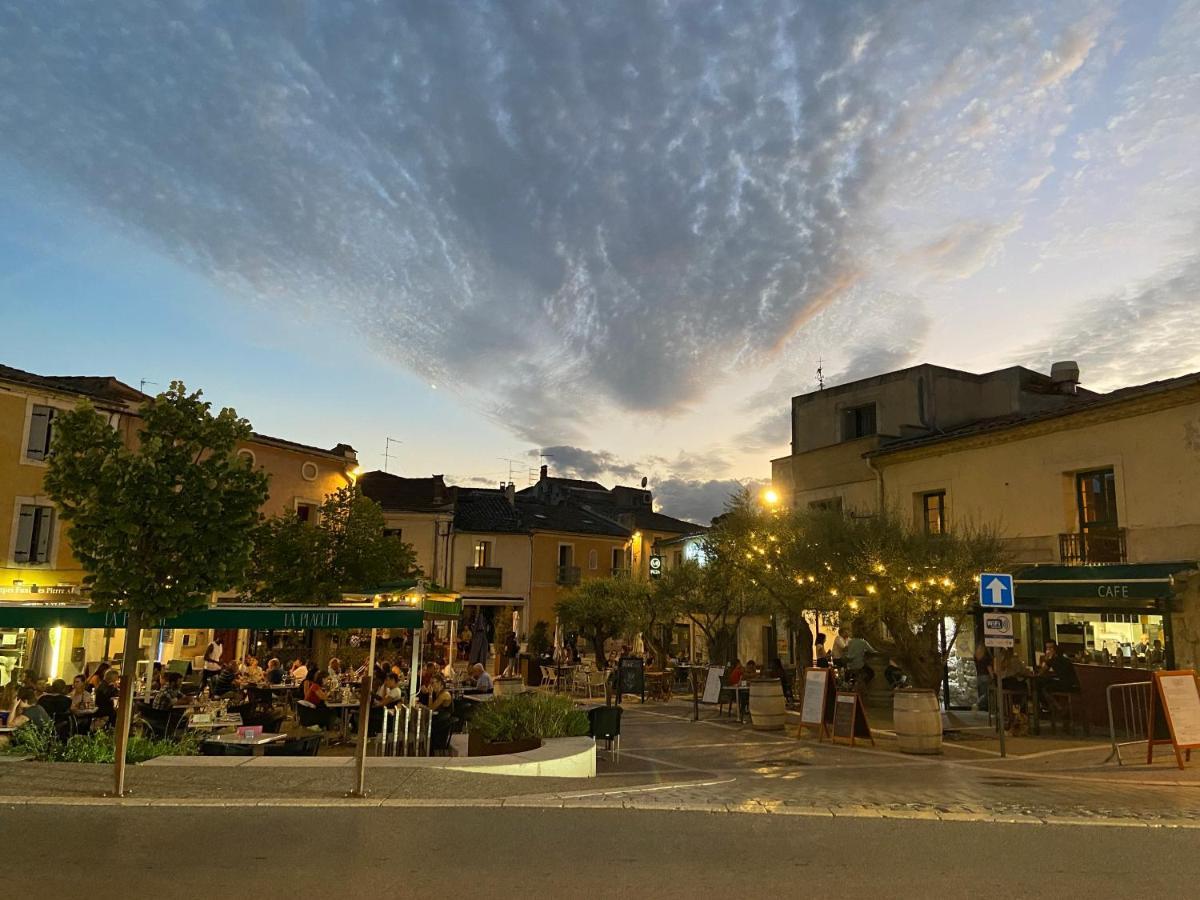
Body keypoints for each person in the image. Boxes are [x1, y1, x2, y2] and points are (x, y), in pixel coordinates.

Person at [1038, 641, 1080, 712]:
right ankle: (1056, 707)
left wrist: (1046, 659)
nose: (1048, 650)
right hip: (1075, 684)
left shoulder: (1052, 659)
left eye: (1050, 648)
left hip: (1066, 685)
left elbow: (1041, 673)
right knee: (1047, 683)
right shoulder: (1065, 658)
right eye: (1047, 648)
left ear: (1054, 650)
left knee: (1043, 687)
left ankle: (1056, 708)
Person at [973, 642, 993, 711]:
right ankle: (977, 704)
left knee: (982, 692)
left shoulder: (976, 657)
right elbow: (989, 668)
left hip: (979, 676)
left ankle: (983, 707)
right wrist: (992, 676)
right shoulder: (986, 657)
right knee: (986, 693)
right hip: (985, 676)